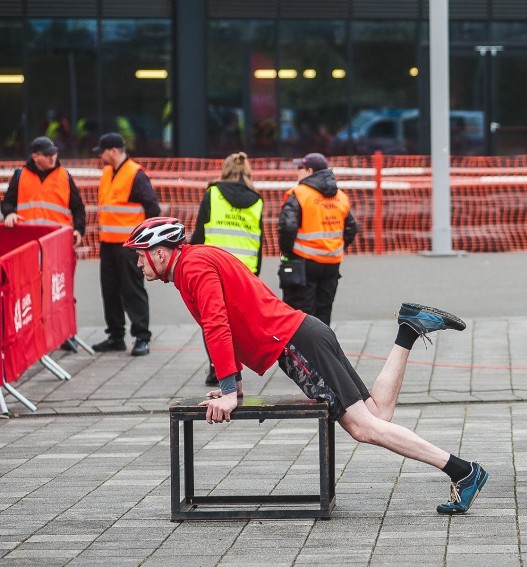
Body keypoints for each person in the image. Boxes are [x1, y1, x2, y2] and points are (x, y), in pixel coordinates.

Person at [125, 217, 488, 515]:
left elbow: (217, 324)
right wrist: (230, 383)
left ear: (160, 253)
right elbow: (225, 323)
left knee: (364, 429)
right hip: (305, 334)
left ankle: (463, 470)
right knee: (380, 414)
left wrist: (230, 390)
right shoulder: (195, 262)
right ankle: (408, 330)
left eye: (141, 256)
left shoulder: (193, 266)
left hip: (294, 342)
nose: (138, 263)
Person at [1, 136, 85, 351]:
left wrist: (78, 230)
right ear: (35, 156)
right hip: (27, 246)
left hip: (56, 246)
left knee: (58, 290)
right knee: (31, 290)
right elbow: (8, 202)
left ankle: (65, 333)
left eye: (54, 153)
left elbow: (78, 207)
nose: (52, 157)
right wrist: (9, 213)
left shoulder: (64, 176)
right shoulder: (20, 176)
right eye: (47, 154)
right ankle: (33, 334)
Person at [190, 152, 264, 386]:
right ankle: (234, 368)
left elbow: (199, 233)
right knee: (234, 321)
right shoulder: (257, 199)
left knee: (212, 319)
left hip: (213, 267)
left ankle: (218, 366)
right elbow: (258, 239)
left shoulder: (213, 194)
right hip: (244, 269)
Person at [92, 132, 161, 356]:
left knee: (132, 290)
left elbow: (153, 209)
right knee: (109, 290)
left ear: (113, 150)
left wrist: (145, 243)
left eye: (101, 151)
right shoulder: (106, 173)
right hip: (108, 243)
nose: (100, 156)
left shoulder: (135, 174)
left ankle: (142, 337)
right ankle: (116, 336)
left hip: (129, 246)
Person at [277, 152, 357, 325]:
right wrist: (336, 247)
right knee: (324, 312)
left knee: (301, 315)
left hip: (303, 261)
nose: (297, 172)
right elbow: (351, 227)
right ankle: (323, 350)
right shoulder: (340, 196)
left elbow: (287, 227)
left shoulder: (299, 194)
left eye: (300, 168)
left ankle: (302, 351)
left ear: (309, 171)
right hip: (332, 263)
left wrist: (287, 252)